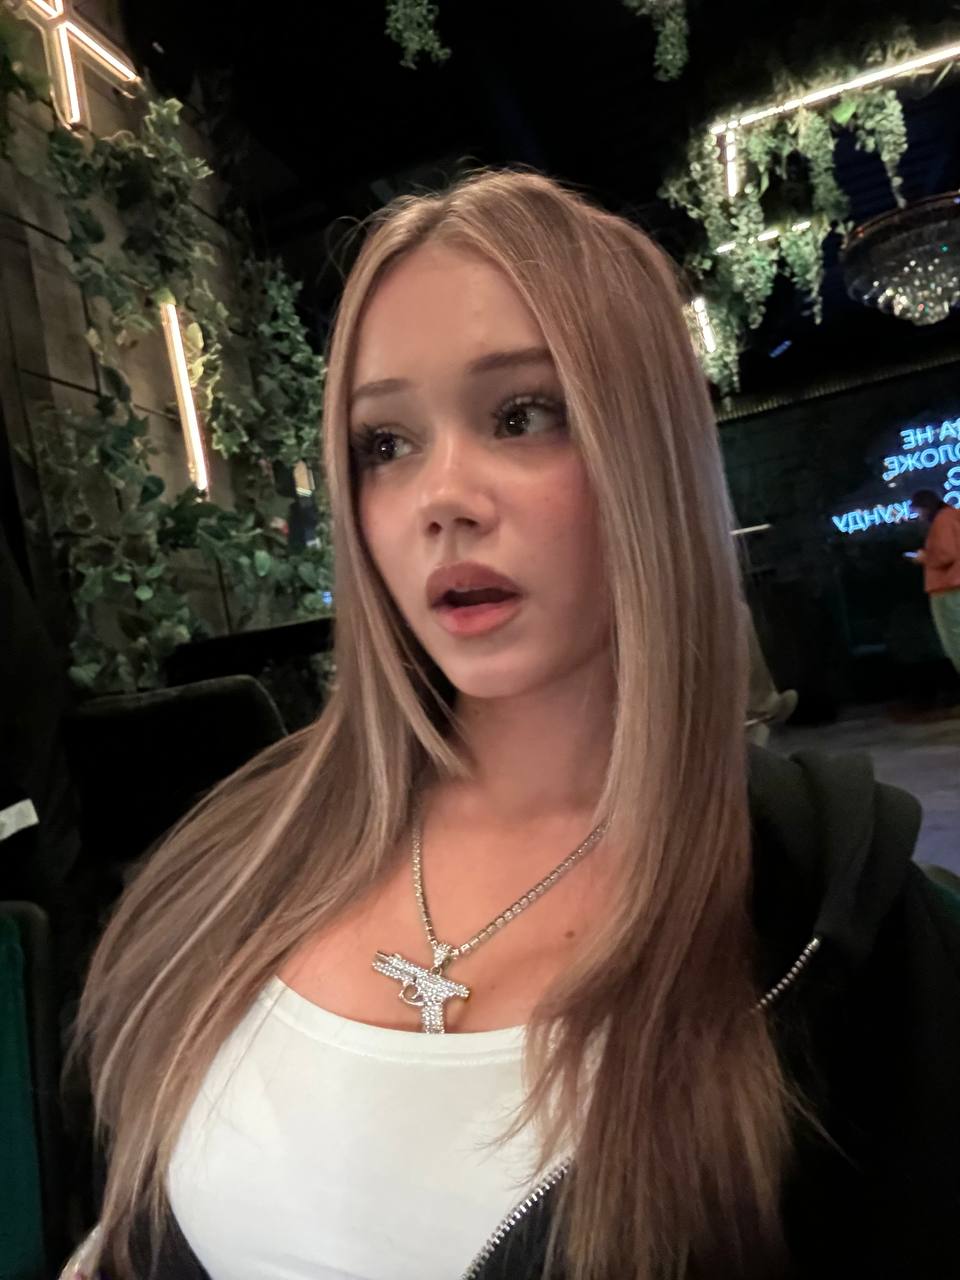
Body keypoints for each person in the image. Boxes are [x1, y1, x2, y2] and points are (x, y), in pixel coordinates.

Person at [61, 170, 960, 1280]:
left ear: (648, 454)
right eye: (385, 443)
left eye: (522, 416)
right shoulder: (242, 848)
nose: (442, 498)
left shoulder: (829, 919)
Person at [906, 487, 960, 673]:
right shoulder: (953, 516)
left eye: (918, 511)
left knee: (954, 640)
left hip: (948, 587)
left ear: (925, 507)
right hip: (953, 586)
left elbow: (946, 554)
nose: (919, 516)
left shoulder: (943, 520)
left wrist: (924, 557)